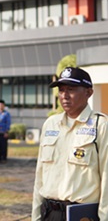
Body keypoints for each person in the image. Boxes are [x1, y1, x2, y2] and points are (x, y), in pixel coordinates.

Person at [32, 67, 107, 221]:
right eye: (61, 90)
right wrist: (36, 216)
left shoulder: (100, 125)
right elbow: (39, 176)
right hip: (50, 213)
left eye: (71, 89)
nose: (64, 96)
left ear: (88, 92)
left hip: (82, 216)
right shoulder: (51, 124)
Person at [0, 99, 11, 164]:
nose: (0, 106)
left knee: (4, 146)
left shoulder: (6, 114)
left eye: (1, 105)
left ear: (3, 105)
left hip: (3, 132)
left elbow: (8, 123)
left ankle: (4, 158)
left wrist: (6, 131)